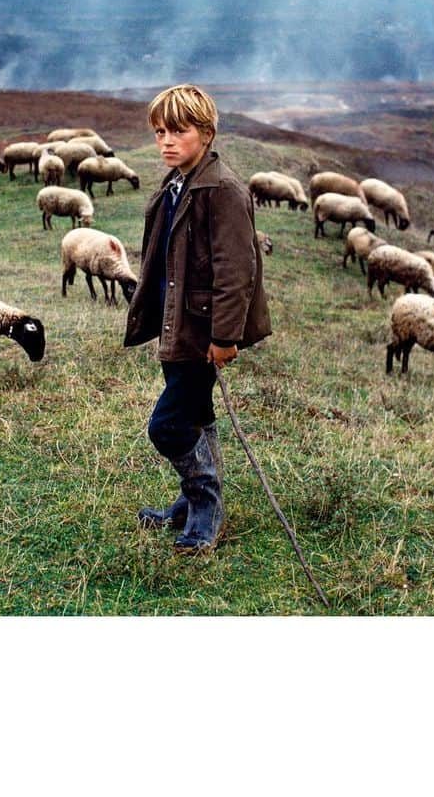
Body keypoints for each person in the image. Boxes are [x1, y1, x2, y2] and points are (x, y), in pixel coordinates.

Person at [124, 84, 271, 554]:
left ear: (206, 134)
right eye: (160, 131)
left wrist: (225, 336)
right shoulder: (177, 183)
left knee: (167, 425)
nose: (167, 141)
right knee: (197, 413)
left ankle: (206, 506)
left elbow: (237, 269)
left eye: (179, 131)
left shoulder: (223, 189)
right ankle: (189, 505)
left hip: (202, 331)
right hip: (177, 326)